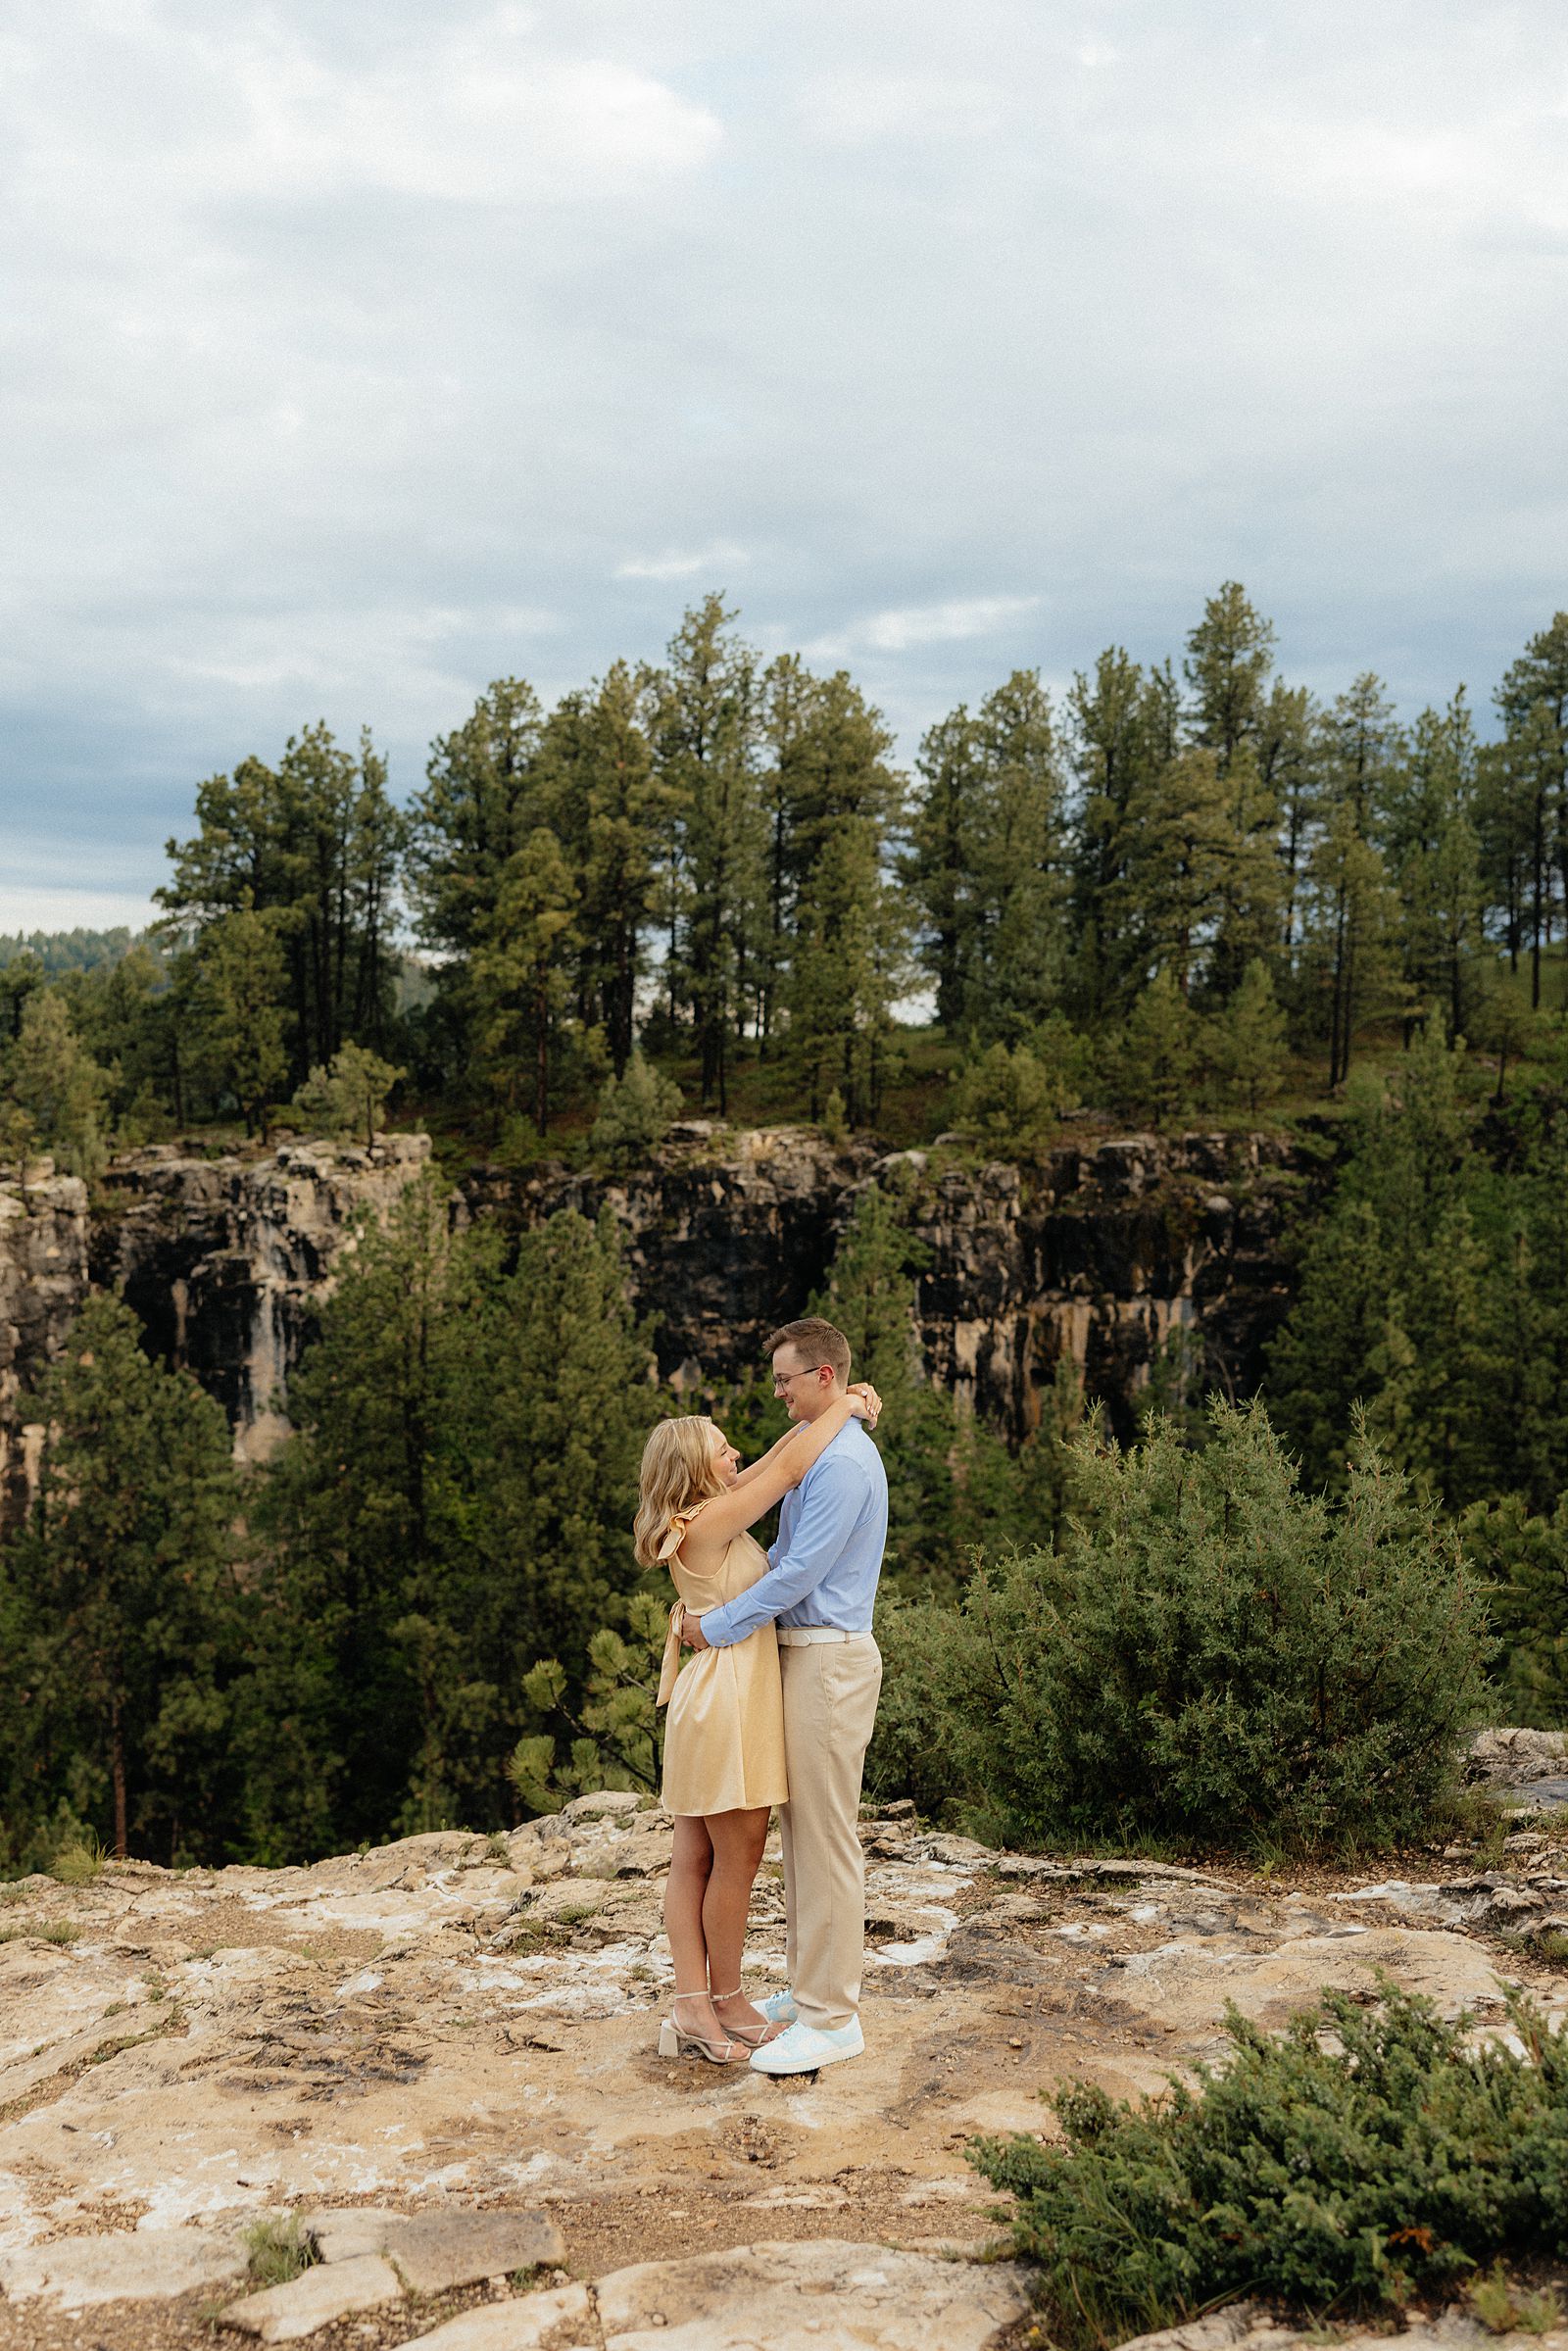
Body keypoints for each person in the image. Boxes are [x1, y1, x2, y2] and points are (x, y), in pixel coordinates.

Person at [636, 1378, 881, 2064]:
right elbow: (789, 1467)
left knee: (695, 1856)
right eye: (721, 1449)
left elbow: (776, 1453)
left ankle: (698, 2003)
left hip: (711, 1693)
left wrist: (831, 1406)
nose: (735, 1452)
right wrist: (848, 1408)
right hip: (728, 1699)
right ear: (693, 1469)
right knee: (735, 1859)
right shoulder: (711, 1522)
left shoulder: (700, 1517)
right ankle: (722, 2000)